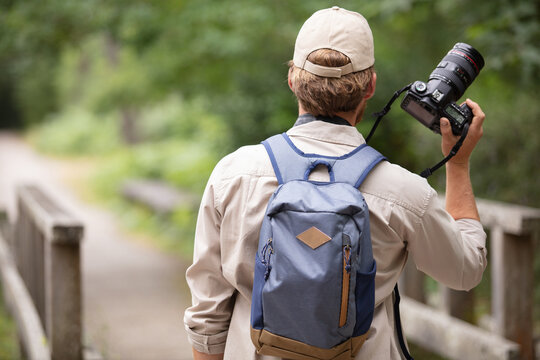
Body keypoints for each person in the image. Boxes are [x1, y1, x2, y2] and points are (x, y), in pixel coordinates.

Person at [184, 6, 487, 360]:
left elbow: (207, 317)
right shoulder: (405, 193)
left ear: (293, 80)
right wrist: (458, 163)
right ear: (371, 86)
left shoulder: (233, 174)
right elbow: (465, 271)